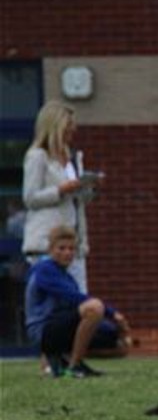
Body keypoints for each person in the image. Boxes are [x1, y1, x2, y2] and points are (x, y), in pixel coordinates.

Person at [24, 225, 131, 378]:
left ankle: (60, 360)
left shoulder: (68, 277)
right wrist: (113, 314)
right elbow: (75, 298)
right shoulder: (44, 269)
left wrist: (117, 330)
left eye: (71, 249)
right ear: (50, 249)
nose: (67, 253)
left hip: (60, 327)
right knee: (94, 307)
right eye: (61, 248)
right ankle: (74, 367)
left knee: (119, 346)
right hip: (43, 330)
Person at [22, 100, 100, 293]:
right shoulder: (37, 157)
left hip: (74, 243)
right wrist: (61, 190)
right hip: (47, 243)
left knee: (80, 299)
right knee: (56, 304)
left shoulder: (72, 158)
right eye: (68, 128)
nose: (71, 133)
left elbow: (78, 200)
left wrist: (89, 187)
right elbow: (30, 198)